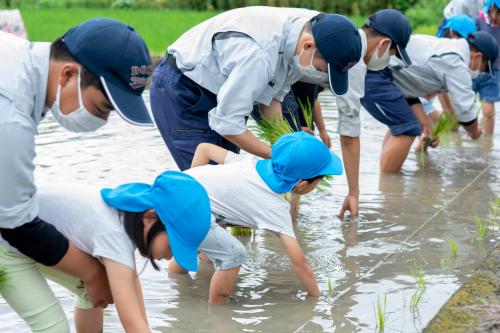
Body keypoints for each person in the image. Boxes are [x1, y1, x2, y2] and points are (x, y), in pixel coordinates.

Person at [0, 17, 153, 312]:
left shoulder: (22, 63)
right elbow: (15, 224)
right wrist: (93, 274)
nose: (102, 121)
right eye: (102, 108)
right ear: (68, 74)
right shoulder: (11, 113)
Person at [150, 6, 362, 171]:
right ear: (308, 46)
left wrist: (289, 143)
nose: (320, 75)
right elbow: (227, 124)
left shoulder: (303, 41)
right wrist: (276, 155)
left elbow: (269, 102)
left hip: (222, 90)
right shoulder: (259, 55)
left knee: (229, 183)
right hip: (183, 89)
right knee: (211, 187)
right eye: (321, 69)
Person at [0, 171, 210, 332]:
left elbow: (132, 283)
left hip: (32, 241)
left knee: (92, 288)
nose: (170, 256)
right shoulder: (113, 235)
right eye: (173, 245)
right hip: (6, 246)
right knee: (53, 327)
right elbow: (131, 323)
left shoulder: (124, 214)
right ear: (151, 218)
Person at [164, 132, 344, 304]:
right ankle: (217, 312)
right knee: (233, 256)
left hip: (173, 191)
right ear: (302, 184)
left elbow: (204, 148)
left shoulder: (248, 161)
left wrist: (195, 190)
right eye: (319, 180)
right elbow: (300, 263)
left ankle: (177, 291)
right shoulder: (275, 207)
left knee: (194, 241)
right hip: (189, 208)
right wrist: (317, 298)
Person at [361, 31, 498, 173]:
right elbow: (465, 111)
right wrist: (475, 132)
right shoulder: (456, 61)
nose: (481, 73)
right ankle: (389, 186)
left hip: (382, 73)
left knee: (405, 123)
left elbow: (408, 93)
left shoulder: (444, 47)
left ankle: (388, 181)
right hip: (375, 72)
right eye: (484, 68)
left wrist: (427, 125)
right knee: (407, 127)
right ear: (477, 56)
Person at [321, 9, 413, 218]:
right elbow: (349, 134)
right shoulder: (353, 59)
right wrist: (354, 192)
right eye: (391, 54)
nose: (388, 61)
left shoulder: (343, 35)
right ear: (384, 44)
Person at [474, 0, 500, 134]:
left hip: (493, 71)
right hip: (472, 70)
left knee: (488, 111)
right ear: (492, 8)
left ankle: (487, 144)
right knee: (464, 107)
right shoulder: (479, 20)